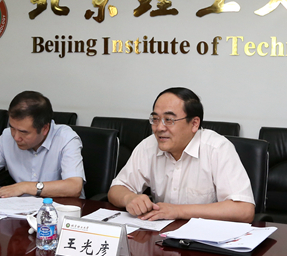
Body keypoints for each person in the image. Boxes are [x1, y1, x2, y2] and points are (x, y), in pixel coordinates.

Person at [108, 87, 254, 223]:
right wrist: (129, 198)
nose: (159, 128)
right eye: (155, 119)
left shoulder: (217, 148)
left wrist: (178, 211)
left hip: (204, 236)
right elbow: (116, 189)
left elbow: (244, 210)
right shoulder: (148, 146)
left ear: (194, 124)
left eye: (169, 120)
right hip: (159, 232)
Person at [0, 91, 85, 198]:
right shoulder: (7, 137)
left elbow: (74, 187)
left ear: (45, 129)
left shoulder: (66, 139)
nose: (16, 137)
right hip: (20, 211)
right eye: (12, 128)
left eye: (24, 132)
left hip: (60, 212)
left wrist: (25, 187)